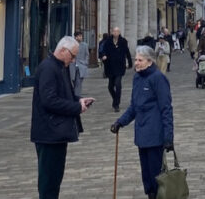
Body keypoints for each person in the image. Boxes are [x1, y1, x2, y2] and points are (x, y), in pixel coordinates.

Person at [30, 35, 94, 199]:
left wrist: (79, 100)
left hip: (57, 133)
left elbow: (64, 95)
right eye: (72, 56)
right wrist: (76, 107)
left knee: (55, 178)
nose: (73, 60)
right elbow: (49, 100)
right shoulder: (48, 68)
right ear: (63, 51)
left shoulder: (61, 67)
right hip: (48, 133)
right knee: (48, 181)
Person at [110, 46, 174, 199]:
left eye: (140, 60)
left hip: (154, 134)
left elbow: (166, 109)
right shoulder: (137, 78)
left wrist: (168, 137)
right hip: (141, 134)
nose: (136, 63)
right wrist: (120, 122)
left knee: (155, 174)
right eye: (135, 60)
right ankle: (150, 195)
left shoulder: (158, 78)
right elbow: (134, 106)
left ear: (150, 62)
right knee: (146, 174)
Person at [100, 27, 132, 112]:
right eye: (114, 31)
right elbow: (103, 51)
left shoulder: (123, 41)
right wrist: (103, 56)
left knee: (118, 84)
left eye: (117, 31)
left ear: (119, 32)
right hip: (110, 66)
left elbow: (127, 52)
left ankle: (116, 104)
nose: (116, 32)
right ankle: (115, 99)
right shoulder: (108, 41)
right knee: (110, 86)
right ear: (112, 32)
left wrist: (130, 62)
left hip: (120, 66)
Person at [72, 31, 89, 96]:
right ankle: (74, 95)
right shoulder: (71, 45)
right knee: (73, 82)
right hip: (72, 66)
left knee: (78, 83)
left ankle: (77, 97)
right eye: (79, 36)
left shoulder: (85, 45)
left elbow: (87, 55)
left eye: (81, 36)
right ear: (76, 37)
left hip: (81, 66)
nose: (81, 37)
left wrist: (85, 63)